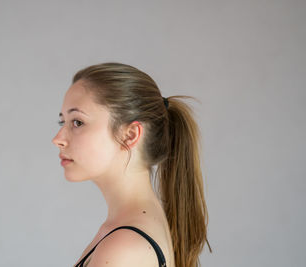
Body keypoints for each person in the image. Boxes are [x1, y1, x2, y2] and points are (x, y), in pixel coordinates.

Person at [52, 62, 211, 267]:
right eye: (62, 122)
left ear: (130, 135)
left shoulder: (124, 248)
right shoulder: (122, 233)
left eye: (77, 122)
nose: (58, 139)